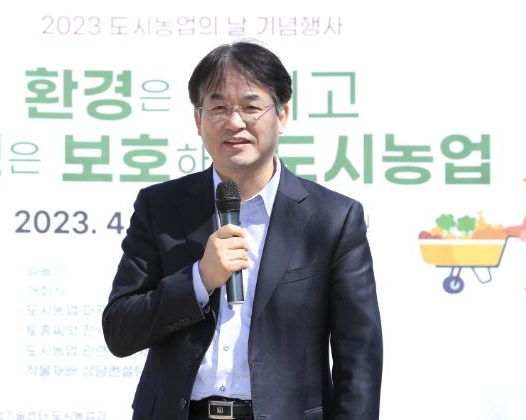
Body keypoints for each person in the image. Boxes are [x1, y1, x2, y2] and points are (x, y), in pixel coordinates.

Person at [103, 40, 383, 420]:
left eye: (251, 107)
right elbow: (120, 331)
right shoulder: (160, 207)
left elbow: (359, 357)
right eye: (219, 107)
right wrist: (199, 280)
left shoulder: (333, 219)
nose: (235, 123)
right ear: (198, 119)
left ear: (282, 115)